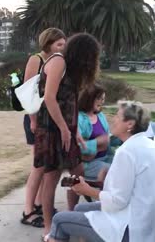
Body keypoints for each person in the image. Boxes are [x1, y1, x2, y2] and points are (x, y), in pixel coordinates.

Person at [48, 101, 155, 242]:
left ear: (130, 124)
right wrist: (107, 179)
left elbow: (117, 202)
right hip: (145, 222)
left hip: (131, 229)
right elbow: (131, 189)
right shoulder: (148, 145)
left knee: (59, 220)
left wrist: (87, 190)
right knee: (79, 208)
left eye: (117, 116)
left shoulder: (127, 152)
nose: (113, 119)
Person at [35, 33, 101, 241]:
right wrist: (64, 129)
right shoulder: (58, 61)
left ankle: (72, 215)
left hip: (66, 129)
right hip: (52, 130)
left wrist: (75, 131)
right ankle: (49, 228)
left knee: (77, 172)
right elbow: (50, 99)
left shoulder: (71, 69)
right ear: (83, 54)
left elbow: (70, 103)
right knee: (51, 178)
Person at [21, 28, 66, 228]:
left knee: (45, 166)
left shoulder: (56, 62)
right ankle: (28, 211)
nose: (62, 48)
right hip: (36, 119)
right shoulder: (36, 59)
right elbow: (28, 93)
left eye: (64, 44)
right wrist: (32, 120)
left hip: (46, 120)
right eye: (59, 44)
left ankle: (39, 204)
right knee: (37, 167)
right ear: (48, 43)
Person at [77, 84, 111, 181]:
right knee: (117, 171)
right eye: (99, 98)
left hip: (105, 157)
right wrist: (96, 143)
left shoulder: (101, 116)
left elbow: (107, 139)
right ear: (89, 99)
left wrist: (121, 138)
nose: (102, 102)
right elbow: (75, 147)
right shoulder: (79, 119)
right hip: (88, 163)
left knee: (126, 166)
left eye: (103, 99)